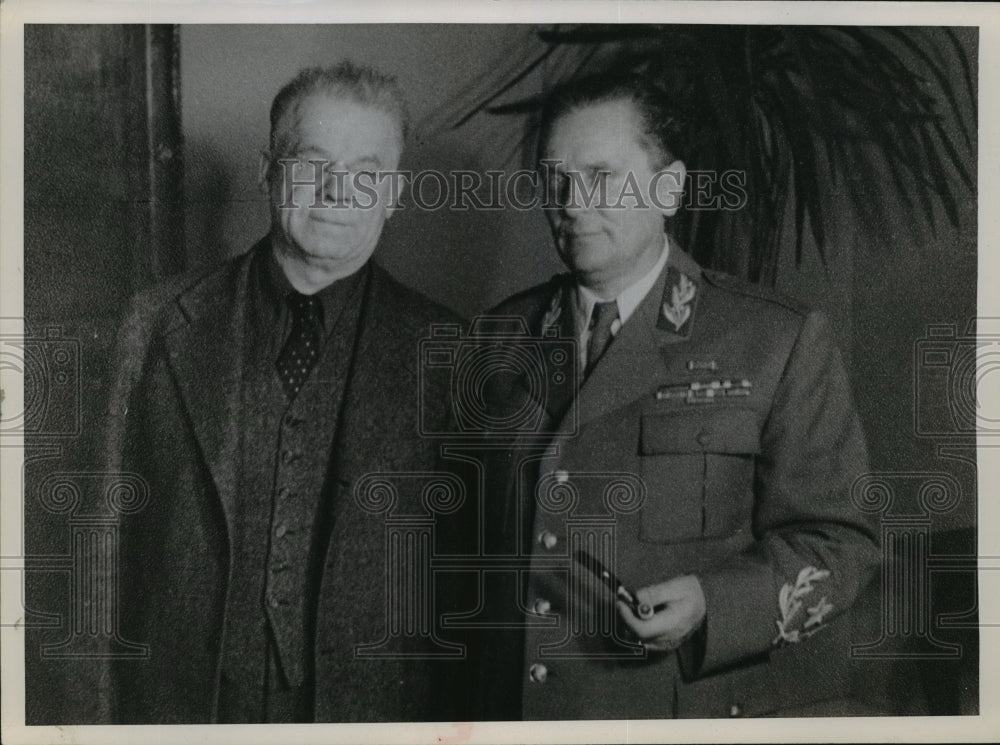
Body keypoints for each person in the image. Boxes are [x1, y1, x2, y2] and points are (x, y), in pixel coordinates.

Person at [477, 74, 880, 719]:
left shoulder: (772, 339)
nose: (571, 202)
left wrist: (713, 603)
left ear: (669, 189)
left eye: (601, 176)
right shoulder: (498, 338)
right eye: (555, 178)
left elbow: (841, 543)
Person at [100, 62, 466, 723]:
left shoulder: (446, 349)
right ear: (269, 167)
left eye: (367, 172)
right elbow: (102, 550)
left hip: (370, 715)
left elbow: (468, 588)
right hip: (183, 710)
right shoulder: (156, 323)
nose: (336, 190)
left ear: (394, 193)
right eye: (312, 161)